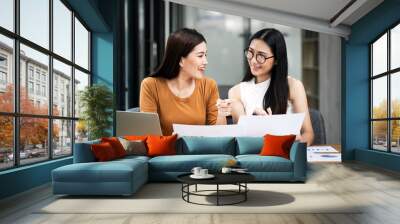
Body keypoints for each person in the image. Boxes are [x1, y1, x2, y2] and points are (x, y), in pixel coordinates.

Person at [217, 28, 314, 145]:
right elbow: (241, 140)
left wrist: (296, 146)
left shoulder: (293, 86)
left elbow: (308, 133)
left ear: (277, 60)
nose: (253, 60)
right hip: (255, 156)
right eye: (250, 52)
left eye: (261, 56)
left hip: (287, 155)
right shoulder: (236, 92)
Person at [140, 28, 226, 135]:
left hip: (200, 151)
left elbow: (219, 137)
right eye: (200, 56)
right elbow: (149, 135)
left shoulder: (209, 85)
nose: (205, 61)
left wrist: (222, 113)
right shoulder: (151, 85)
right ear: (181, 60)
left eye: (205, 55)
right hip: (164, 151)